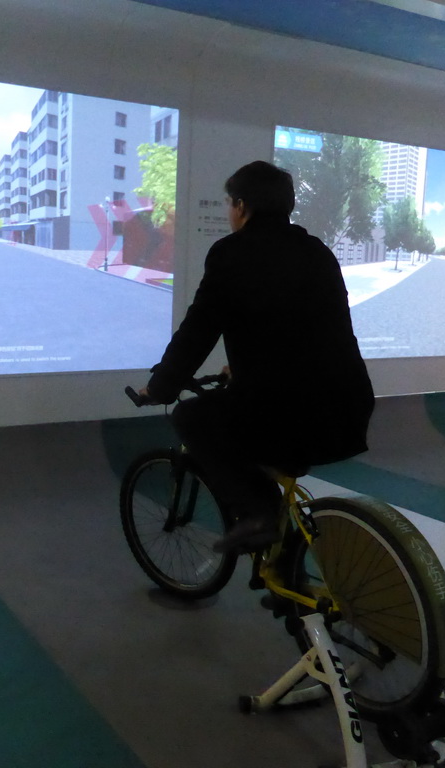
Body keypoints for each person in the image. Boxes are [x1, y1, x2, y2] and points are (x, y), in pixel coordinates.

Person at [138, 160, 374, 553]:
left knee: (191, 416)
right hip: (348, 409)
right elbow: (304, 329)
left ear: (242, 206)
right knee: (252, 420)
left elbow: (197, 333)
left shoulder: (232, 253)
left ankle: (260, 513)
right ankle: (285, 572)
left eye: (230, 203)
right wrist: (246, 366)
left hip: (287, 415)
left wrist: (161, 387)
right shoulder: (317, 251)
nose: (230, 212)